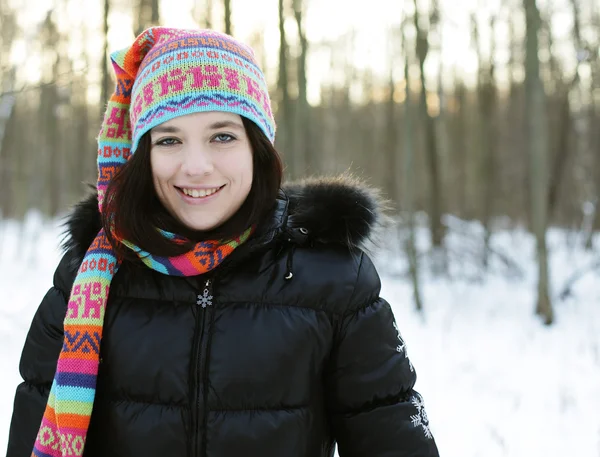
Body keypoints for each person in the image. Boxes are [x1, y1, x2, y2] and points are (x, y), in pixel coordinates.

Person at [6, 27, 440, 457]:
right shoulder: (87, 279)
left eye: (223, 136)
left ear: (258, 147)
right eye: (170, 140)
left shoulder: (336, 281)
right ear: (144, 155)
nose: (196, 167)